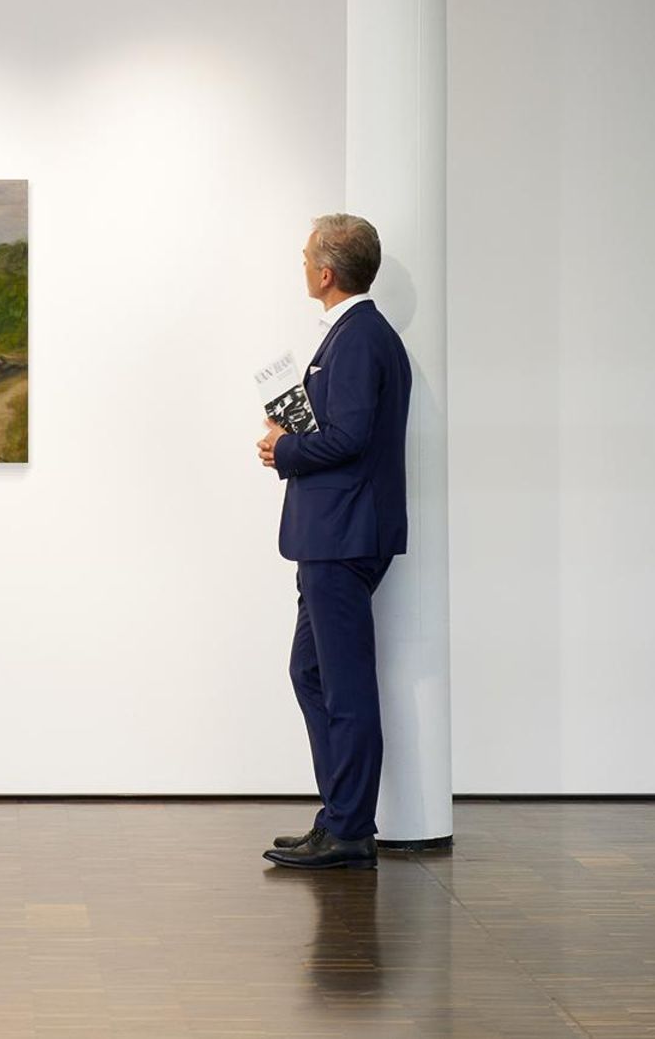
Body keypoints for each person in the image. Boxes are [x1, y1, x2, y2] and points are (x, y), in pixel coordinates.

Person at [256, 213, 411, 872]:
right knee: (313, 672)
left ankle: (349, 830)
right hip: (333, 533)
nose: (300, 265)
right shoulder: (353, 337)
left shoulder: (358, 340)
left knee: (343, 685)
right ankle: (339, 818)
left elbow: (347, 438)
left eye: (304, 257)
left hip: (342, 536)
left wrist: (283, 446)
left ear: (325, 272)